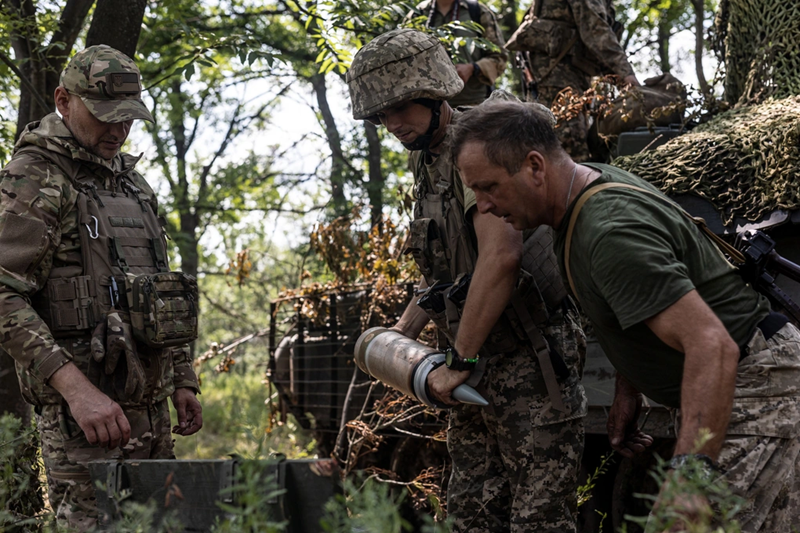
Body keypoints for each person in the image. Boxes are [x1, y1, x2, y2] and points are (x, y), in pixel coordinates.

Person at [449, 98, 800, 532]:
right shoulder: (577, 200)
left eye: (489, 187)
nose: (482, 206)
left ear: (535, 166)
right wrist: (628, 389)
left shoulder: (608, 231)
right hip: (748, 379)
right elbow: (637, 310)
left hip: (757, 388)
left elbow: (712, 345)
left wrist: (689, 476)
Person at [346, 29, 587, 532]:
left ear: (434, 95)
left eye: (400, 109)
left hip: (528, 363)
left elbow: (501, 258)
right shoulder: (427, 160)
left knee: (537, 521)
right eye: (379, 115)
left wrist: (460, 360)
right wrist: (400, 337)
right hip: (475, 368)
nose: (390, 124)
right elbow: (447, 276)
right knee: (472, 518)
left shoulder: (477, 150)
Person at [0, 45, 202, 531]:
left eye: (127, 119)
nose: (117, 131)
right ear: (63, 100)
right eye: (104, 116)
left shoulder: (132, 185)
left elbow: (157, 294)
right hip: (85, 422)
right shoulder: (36, 176)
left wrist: (183, 377)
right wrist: (77, 392)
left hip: (149, 414)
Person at [506, 0, 640, 161]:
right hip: (556, 78)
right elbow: (595, 30)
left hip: (567, 78)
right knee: (570, 148)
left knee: (567, 145)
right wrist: (626, 74)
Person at [405, 0, 508, 108]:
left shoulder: (477, 11)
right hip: (427, 108)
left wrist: (473, 68)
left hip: (473, 106)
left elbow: (500, 58)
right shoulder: (418, 13)